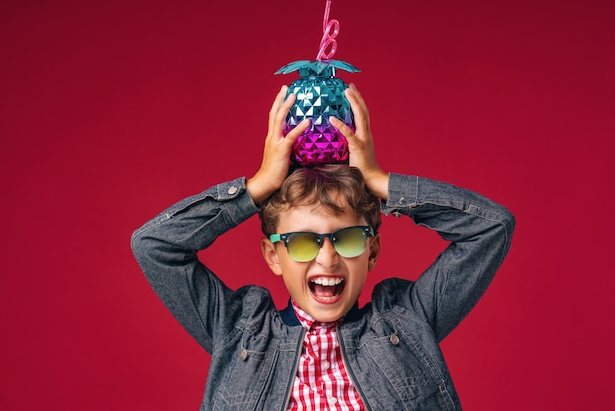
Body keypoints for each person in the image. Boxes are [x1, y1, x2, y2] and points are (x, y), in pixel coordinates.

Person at [131, 84, 515, 411]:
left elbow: (491, 228)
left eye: (346, 239)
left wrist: (380, 182)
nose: (327, 258)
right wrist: (257, 186)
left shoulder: (407, 322)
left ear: (373, 251)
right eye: (302, 242)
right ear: (272, 256)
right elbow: (154, 245)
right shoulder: (236, 330)